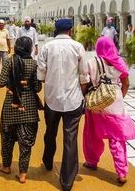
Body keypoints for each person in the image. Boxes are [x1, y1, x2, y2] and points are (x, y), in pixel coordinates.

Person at [38, 19, 90, 191]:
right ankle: (66, 181)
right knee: (70, 139)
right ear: (70, 30)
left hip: (52, 99)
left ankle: (47, 160)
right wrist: (82, 93)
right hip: (73, 100)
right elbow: (84, 76)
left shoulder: (46, 47)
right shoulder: (78, 47)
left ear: (56, 30)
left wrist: (53, 82)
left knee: (50, 132)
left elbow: (41, 75)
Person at [83, 37, 135, 184]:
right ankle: (121, 172)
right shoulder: (119, 62)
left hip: (97, 103)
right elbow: (126, 83)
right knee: (117, 138)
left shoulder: (93, 62)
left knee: (92, 134)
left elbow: (87, 82)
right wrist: (119, 97)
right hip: (116, 101)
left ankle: (92, 162)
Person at [0, 36, 42, 183]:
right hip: (28, 108)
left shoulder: (10, 61)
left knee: (7, 137)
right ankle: (23, 174)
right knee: (26, 142)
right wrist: (25, 85)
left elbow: (1, 82)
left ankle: (6, 166)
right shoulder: (33, 64)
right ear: (29, 48)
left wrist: (13, 85)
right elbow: (37, 87)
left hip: (11, 106)